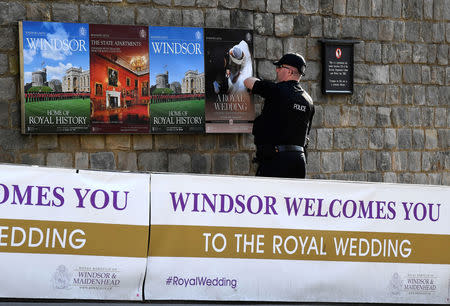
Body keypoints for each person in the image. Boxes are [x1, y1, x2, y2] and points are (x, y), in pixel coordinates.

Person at [244, 53, 314, 179]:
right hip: (299, 161)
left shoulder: (276, 90)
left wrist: (261, 83)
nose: (276, 70)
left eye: (280, 67)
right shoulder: (308, 101)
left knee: (267, 197)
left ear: (289, 72)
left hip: (276, 160)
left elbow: (248, 82)